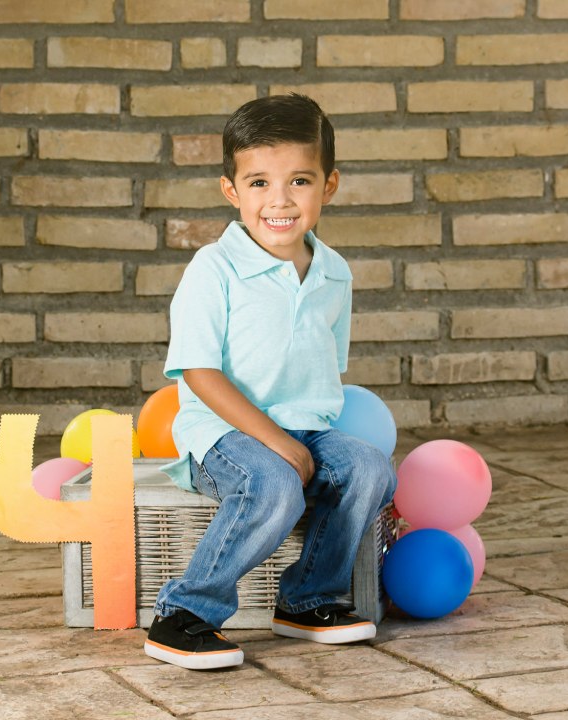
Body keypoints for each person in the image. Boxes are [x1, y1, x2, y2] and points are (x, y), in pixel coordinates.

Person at [144, 94, 398, 671]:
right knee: (276, 485)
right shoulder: (215, 268)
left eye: (299, 181)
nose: (279, 200)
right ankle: (183, 614)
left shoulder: (335, 272)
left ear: (329, 185)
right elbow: (199, 372)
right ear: (232, 190)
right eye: (259, 183)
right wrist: (278, 444)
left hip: (305, 430)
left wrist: (300, 440)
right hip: (222, 434)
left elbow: (324, 372)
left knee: (368, 468)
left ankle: (307, 598)